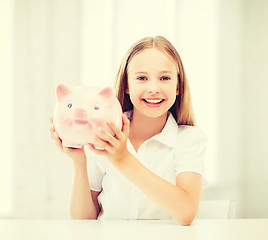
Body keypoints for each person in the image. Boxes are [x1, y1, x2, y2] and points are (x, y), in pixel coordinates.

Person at [50, 36, 207, 225]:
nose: (154, 88)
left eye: (165, 78)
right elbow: (84, 220)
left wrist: (122, 158)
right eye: (142, 78)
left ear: (177, 86)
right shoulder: (102, 135)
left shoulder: (189, 140)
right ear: (126, 85)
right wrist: (79, 161)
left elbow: (186, 211)